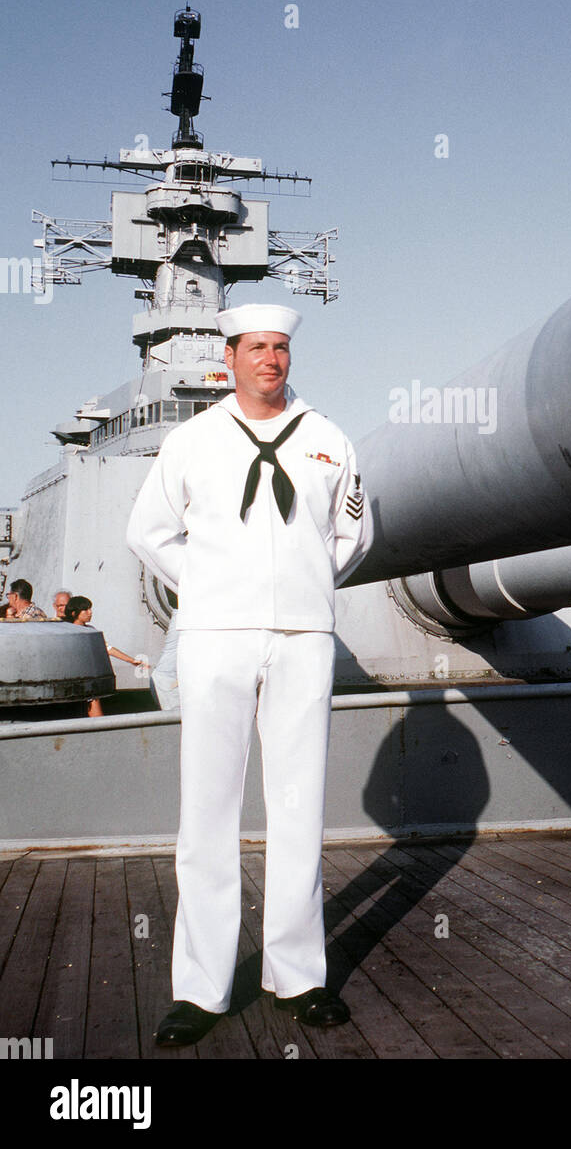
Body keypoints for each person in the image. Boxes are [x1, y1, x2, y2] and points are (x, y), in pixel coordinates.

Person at [126, 303, 372, 1048]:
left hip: (301, 638)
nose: (272, 359)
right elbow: (149, 531)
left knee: (297, 808)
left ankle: (298, 978)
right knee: (208, 811)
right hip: (214, 639)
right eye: (257, 348)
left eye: (281, 348)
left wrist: (303, 588)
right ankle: (200, 990)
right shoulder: (193, 441)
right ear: (228, 358)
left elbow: (354, 533)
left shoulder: (328, 438)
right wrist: (207, 590)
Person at [63, 595, 147, 717]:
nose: (90, 612)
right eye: (85, 609)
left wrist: (130, 660)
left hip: (88, 683)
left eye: (90, 609)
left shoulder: (91, 630)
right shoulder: (67, 631)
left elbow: (108, 649)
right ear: (74, 613)